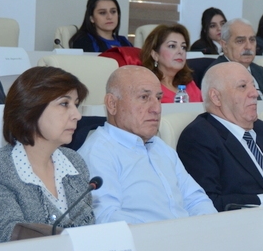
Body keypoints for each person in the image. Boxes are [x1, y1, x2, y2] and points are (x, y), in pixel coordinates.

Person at [0, 66, 95, 245]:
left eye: (76, 104)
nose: (77, 115)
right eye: (64, 104)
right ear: (30, 108)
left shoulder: (74, 162)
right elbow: (11, 237)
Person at [77, 66, 216, 223]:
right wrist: (169, 232)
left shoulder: (161, 147)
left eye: (158, 98)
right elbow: (106, 218)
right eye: (144, 97)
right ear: (112, 104)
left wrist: (206, 228)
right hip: (148, 237)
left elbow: (197, 200)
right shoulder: (98, 153)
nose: (156, 109)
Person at [177, 62, 263, 211]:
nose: (255, 93)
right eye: (242, 86)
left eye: (253, 86)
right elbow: (207, 202)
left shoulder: (262, 129)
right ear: (216, 97)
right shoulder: (199, 136)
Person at [207, 18, 263, 100]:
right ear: (224, 45)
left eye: (252, 40)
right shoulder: (217, 74)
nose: (248, 47)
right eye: (240, 41)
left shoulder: (259, 71)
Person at [140, 23, 202, 103]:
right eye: (172, 46)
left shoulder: (189, 84)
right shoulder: (147, 88)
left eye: (183, 47)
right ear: (155, 55)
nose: (180, 52)